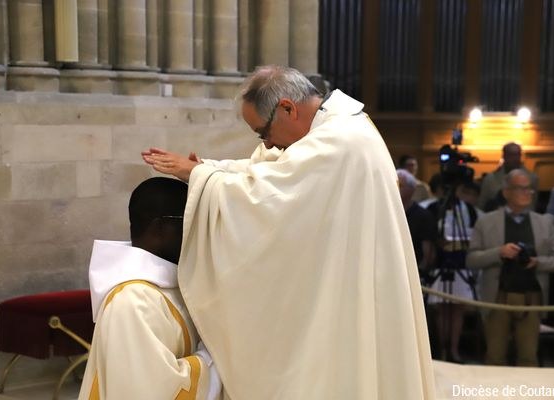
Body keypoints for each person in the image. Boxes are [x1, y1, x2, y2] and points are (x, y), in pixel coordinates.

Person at [142, 66, 435, 399]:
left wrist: (201, 177)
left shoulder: (339, 141)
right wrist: (205, 170)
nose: (267, 143)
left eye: (263, 132)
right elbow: (271, 171)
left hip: (351, 291)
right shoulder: (339, 128)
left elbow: (270, 195)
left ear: (287, 108)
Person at [78, 177, 221, 400]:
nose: (197, 234)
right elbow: (151, 391)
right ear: (159, 228)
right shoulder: (133, 301)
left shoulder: (167, 286)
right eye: (190, 221)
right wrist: (217, 354)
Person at [466, 169, 554, 366]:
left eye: (530, 189)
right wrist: (499, 252)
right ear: (506, 192)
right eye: (521, 188)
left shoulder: (545, 223)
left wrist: (538, 262)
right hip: (497, 295)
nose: (527, 193)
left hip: (532, 296)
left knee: (528, 356)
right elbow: (471, 259)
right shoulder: (486, 221)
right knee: (495, 356)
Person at [425, 180, 480, 363]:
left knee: (458, 309)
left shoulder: (469, 209)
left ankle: (454, 349)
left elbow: (474, 234)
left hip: (460, 262)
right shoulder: (434, 208)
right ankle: (442, 349)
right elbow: (430, 233)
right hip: (440, 262)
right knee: (441, 309)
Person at [478, 142, 539, 211]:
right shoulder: (490, 179)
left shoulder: (532, 178)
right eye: (511, 155)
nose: (515, 158)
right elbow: (482, 204)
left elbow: (532, 205)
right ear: (504, 156)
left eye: (517, 155)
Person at [397, 168, 437, 273]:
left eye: (400, 185)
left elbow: (428, 252)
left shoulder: (423, 216)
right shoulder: (385, 212)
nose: (395, 189)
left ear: (411, 189)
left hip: (415, 271)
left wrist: (420, 274)